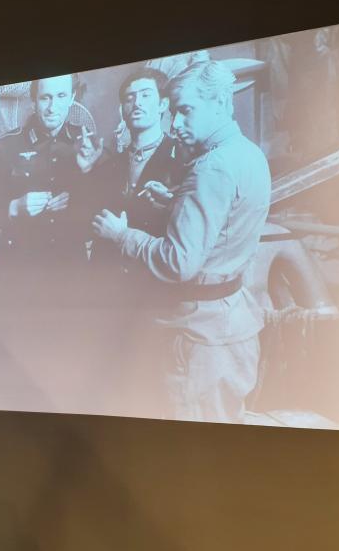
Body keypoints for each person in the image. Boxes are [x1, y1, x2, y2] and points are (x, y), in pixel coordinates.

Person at [93, 60, 271, 424]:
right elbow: (227, 222)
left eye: (186, 110)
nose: (174, 123)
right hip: (231, 324)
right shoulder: (248, 153)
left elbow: (178, 263)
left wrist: (122, 235)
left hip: (200, 338)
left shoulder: (210, 168)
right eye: (173, 111)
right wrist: (177, 201)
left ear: (220, 102)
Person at [0, 73, 103, 302]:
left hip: (71, 276)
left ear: (72, 97)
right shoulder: (7, 145)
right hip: (19, 276)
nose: (52, 107)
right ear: (34, 100)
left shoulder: (87, 143)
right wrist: (14, 208)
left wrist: (85, 175)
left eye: (61, 96)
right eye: (45, 98)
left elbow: (103, 213)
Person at [90, 67, 183, 303]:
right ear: (122, 109)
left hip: (156, 290)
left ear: (163, 104)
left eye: (146, 95)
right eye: (129, 98)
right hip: (109, 291)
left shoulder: (181, 159)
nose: (137, 103)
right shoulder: (108, 166)